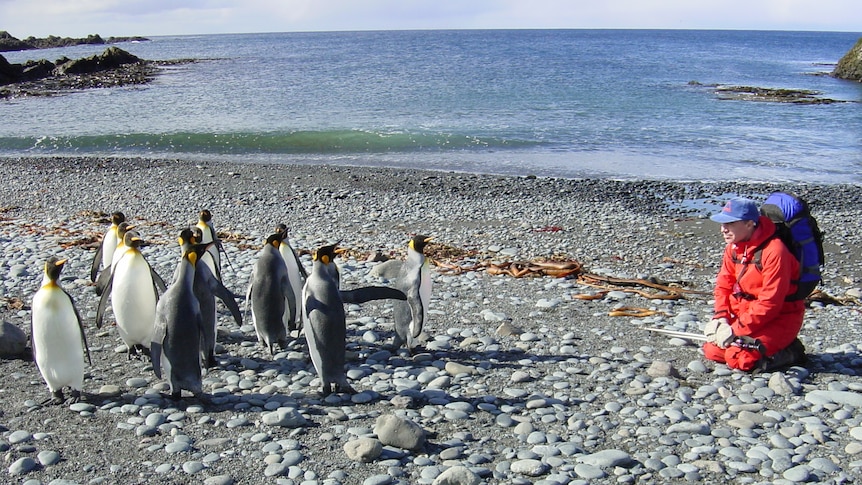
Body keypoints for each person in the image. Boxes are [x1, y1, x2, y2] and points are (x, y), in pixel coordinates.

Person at [702, 197, 806, 372]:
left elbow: (770, 303)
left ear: (750, 224)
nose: (723, 229)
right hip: (746, 314)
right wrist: (721, 318)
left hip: (781, 317)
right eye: (722, 223)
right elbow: (723, 286)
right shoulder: (733, 247)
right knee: (712, 350)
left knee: (741, 358)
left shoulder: (775, 251)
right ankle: (768, 345)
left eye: (730, 223)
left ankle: (791, 350)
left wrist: (735, 330)